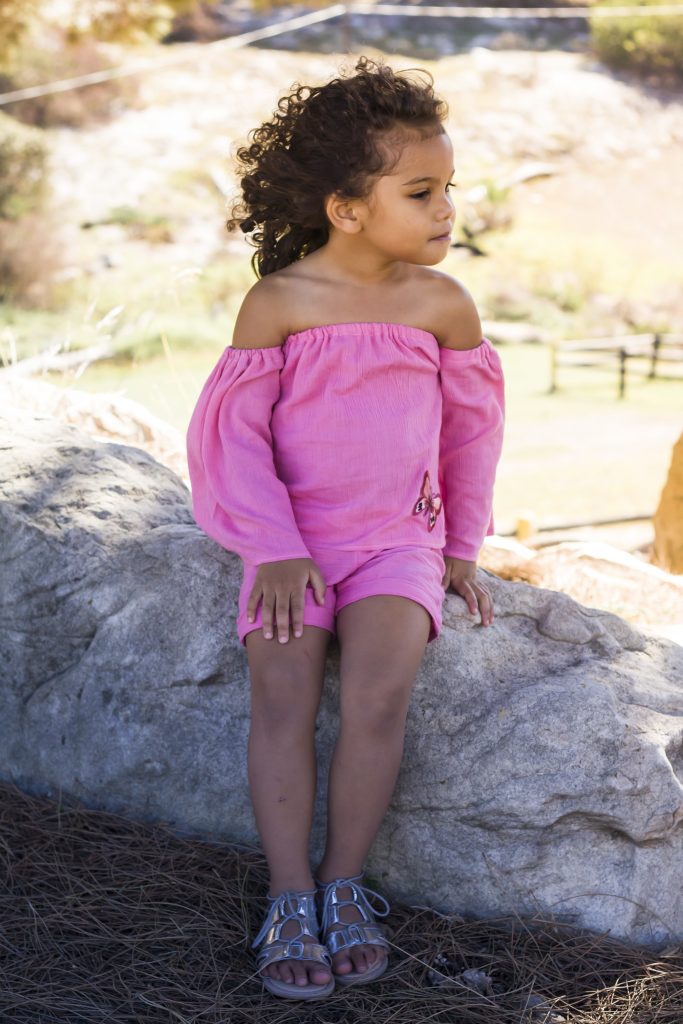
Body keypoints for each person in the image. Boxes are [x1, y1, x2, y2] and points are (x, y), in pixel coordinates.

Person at [186, 54, 505, 1001]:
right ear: (346, 208)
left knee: (375, 696)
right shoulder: (280, 304)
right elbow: (230, 441)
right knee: (283, 694)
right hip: (291, 539)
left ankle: (343, 884)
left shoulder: (442, 306)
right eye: (422, 192)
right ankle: (288, 894)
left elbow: (472, 437)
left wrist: (458, 550)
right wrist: (272, 547)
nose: (446, 210)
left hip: (396, 543)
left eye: (450, 189)